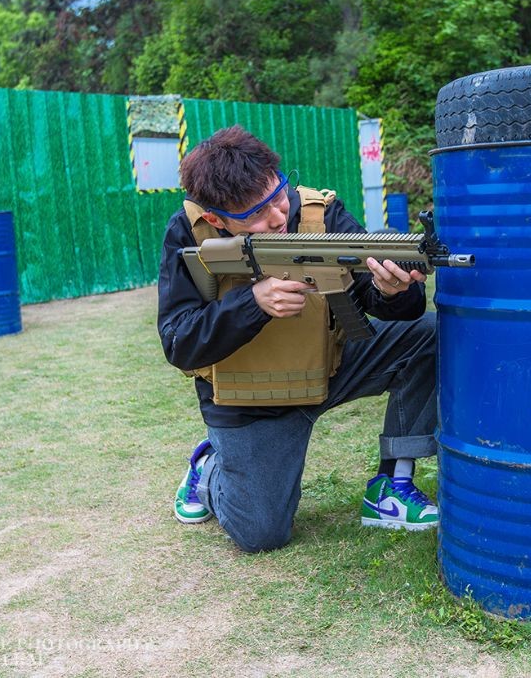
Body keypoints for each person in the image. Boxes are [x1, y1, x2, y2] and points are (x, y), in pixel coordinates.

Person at [157, 125, 439, 553]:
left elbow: (384, 302)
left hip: (333, 365)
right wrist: (253, 303)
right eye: (255, 213)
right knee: (262, 534)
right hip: (249, 400)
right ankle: (209, 468)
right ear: (216, 218)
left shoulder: (320, 213)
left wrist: (390, 289)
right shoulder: (189, 233)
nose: (277, 217)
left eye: (278, 195)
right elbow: (179, 342)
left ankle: (393, 482)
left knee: (430, 333)